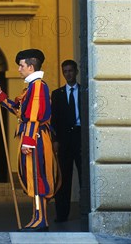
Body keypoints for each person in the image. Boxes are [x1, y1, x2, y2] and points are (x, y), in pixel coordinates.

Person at [0, 49, 60, 232]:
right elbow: (20, 111)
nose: (19, 69)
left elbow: (34, 116)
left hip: (35, 138)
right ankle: (37, 217)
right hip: (33, 137)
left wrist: (28, 141)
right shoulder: (31, 87)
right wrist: (1, 95)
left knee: (38, 177)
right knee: (33, 177)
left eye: (21, 65)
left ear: (31, 67)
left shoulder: (37, 86)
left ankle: (41, 219)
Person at [51, 59, 82, 222]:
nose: (68, 74)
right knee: (63, 178)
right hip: (64, 140)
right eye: (65, 71)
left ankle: (87, 212)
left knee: (85, 176)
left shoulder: (85, 91)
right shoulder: (57, 94)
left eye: (71, 70)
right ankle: (62, 214)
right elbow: (54, 119)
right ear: (63, 73)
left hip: (81, 137)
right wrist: (55, 139)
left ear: (76, 72)